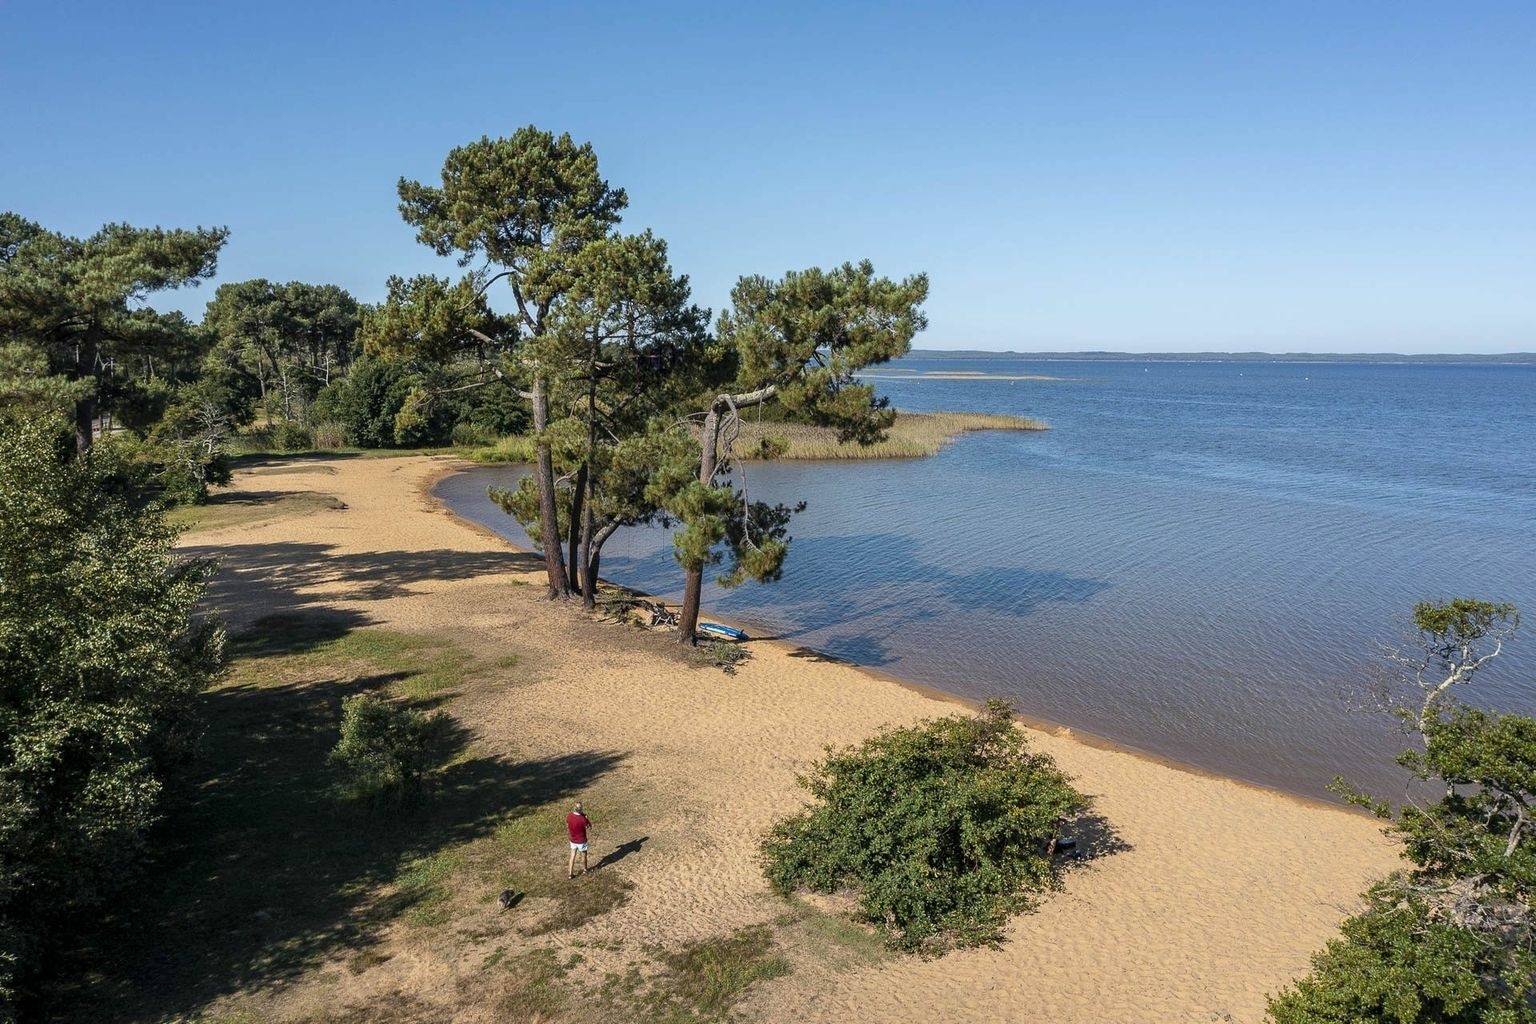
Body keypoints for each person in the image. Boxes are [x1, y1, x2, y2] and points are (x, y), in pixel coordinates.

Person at [566, 802, 593, 878]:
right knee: (584, 855)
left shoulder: (569, 816)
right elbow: (588, 827)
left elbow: (567, 824)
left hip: (573, 839)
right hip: (581, 841)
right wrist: (587, 819)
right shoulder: (583, 819)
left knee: (572, 856)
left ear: (574, 808)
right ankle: (585, 869)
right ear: (581, 809)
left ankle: (570, 874)